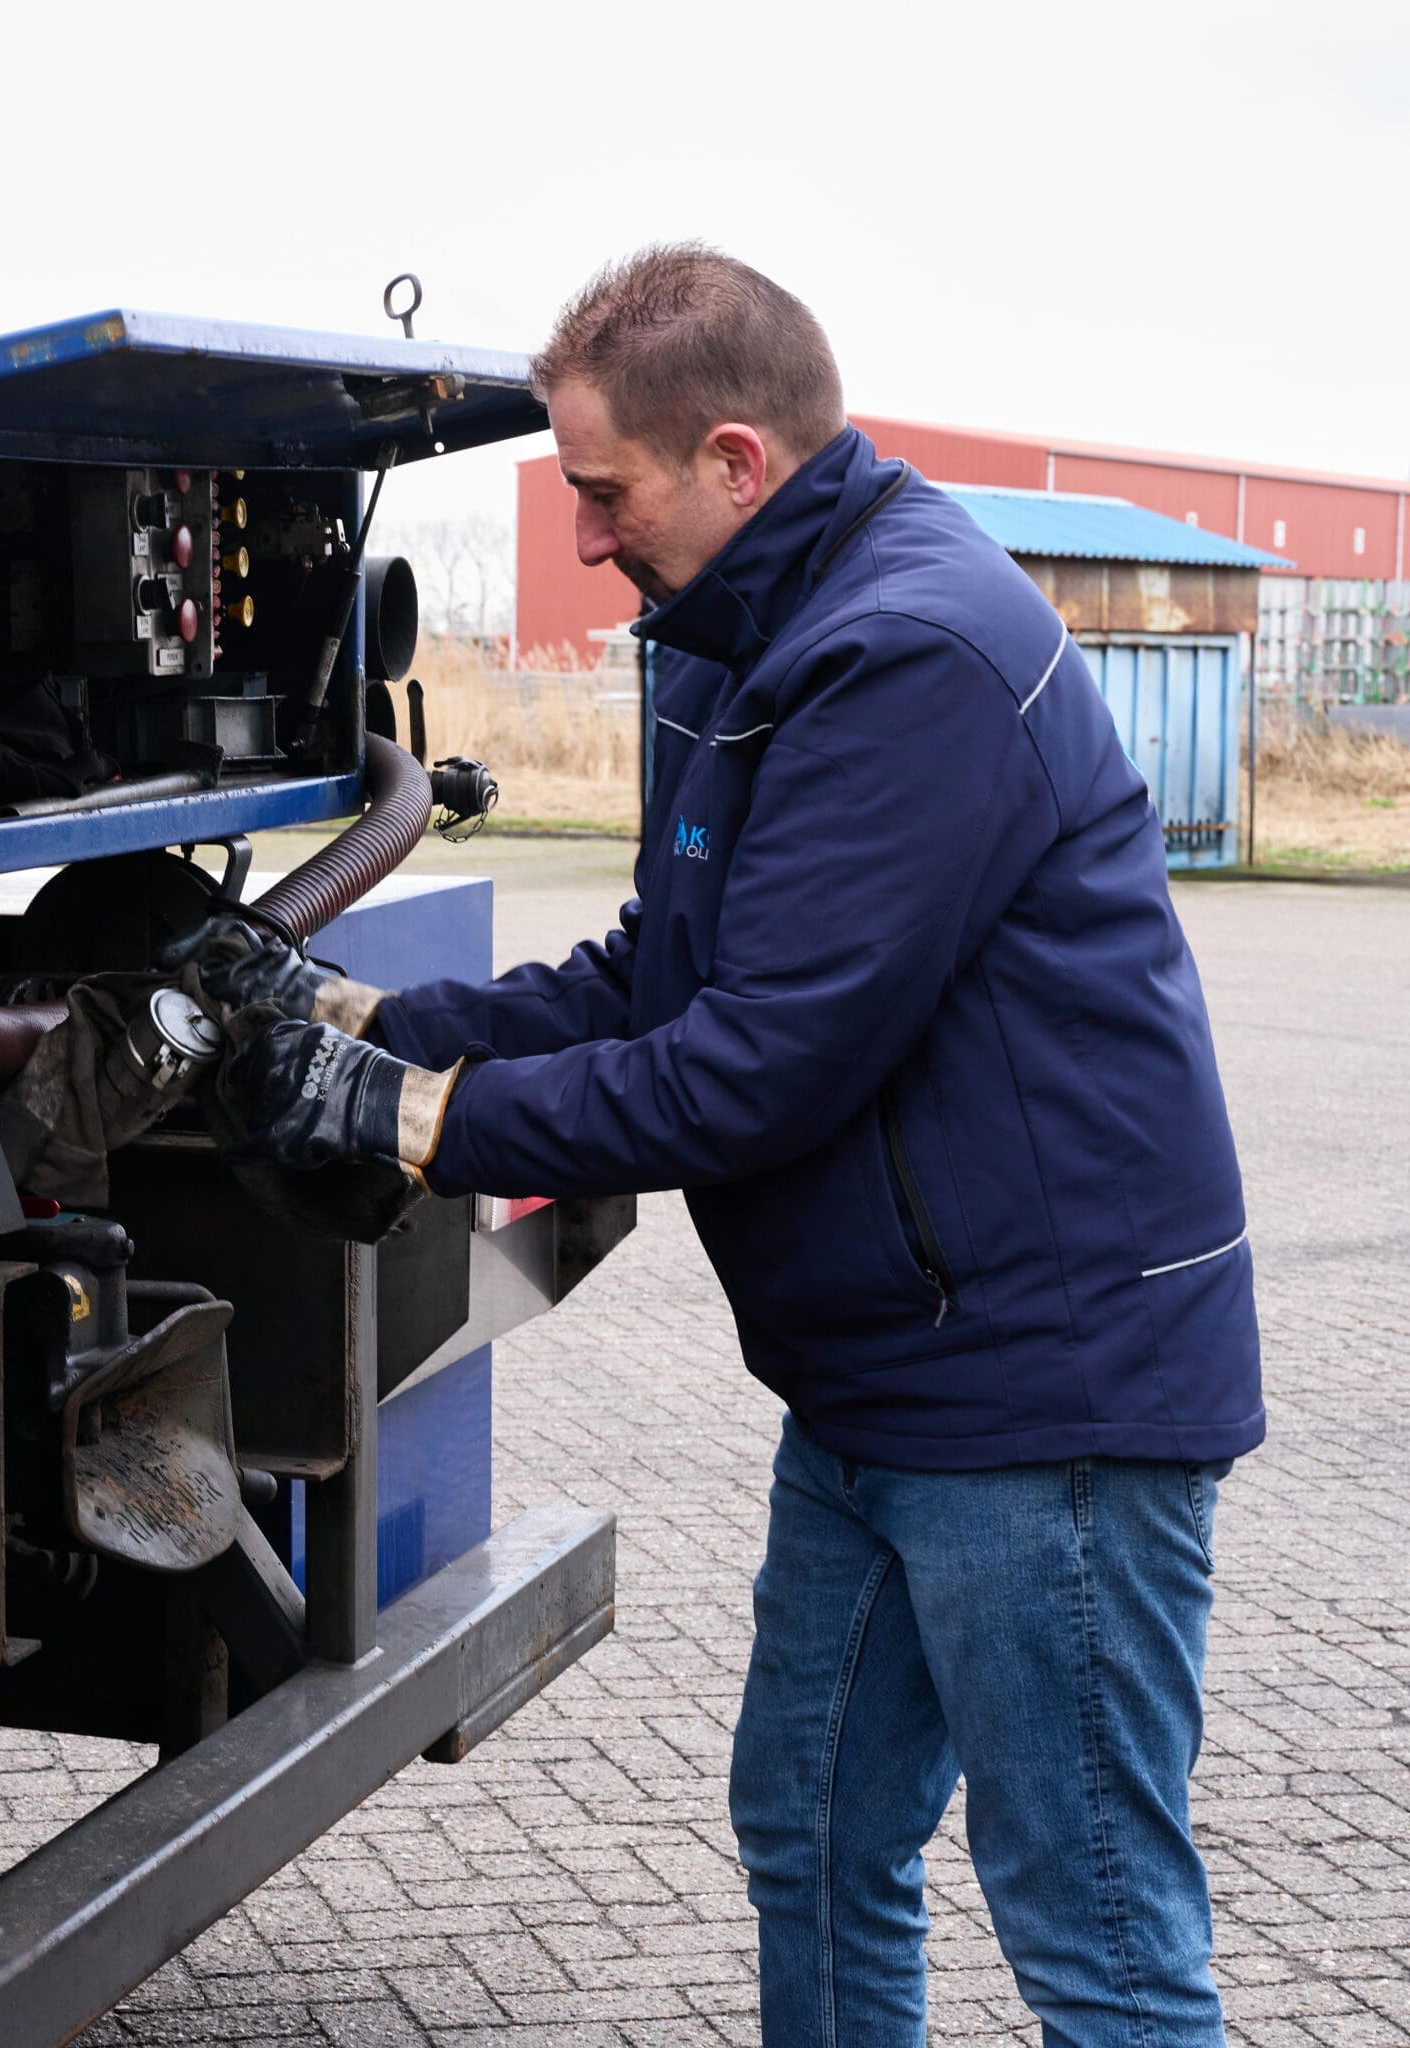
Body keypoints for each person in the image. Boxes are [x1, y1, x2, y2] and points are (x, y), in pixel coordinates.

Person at [201, 243, 1263, 2047]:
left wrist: (423, 1124)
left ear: (736, 462)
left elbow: (758, 1069)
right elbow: (659, 967)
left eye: (604, 490)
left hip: (1042, 1398)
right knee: (816, 1826)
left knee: (1094, 1935)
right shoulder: (732, 637)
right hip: (877, 1378)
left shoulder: (909, 652)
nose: (591, 535)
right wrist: (373, 1027)